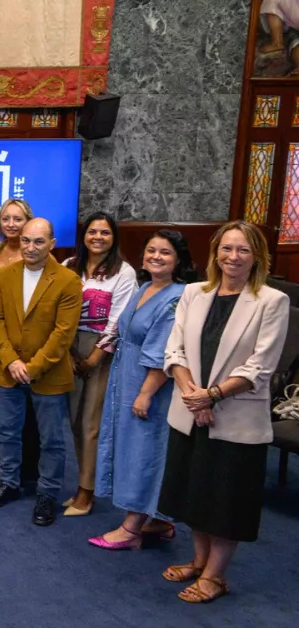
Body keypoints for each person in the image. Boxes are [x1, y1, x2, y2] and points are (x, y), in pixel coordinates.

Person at [156, 221, 288, 604]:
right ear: (215, 253)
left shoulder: (271, 301)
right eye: (226, 249)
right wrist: (193, 396)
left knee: (226, 500)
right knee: (194, 493)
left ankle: (215, 576)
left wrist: (211, 397)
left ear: (257, 257)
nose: (233, 257)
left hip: (236, 417)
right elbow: (174, 350)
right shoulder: (194, 293)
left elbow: (260, 367)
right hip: (189, 411)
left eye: (243, 250)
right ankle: (199, 561)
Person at [89, 230, 192, 550]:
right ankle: (159, 520)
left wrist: (146, 393)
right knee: (134, 446)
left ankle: (132, 527)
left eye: (165, 253)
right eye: (151, 251)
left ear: (178, 260)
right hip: (126, 375)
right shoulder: (146, 287)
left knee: (143, 451)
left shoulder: (177, 296)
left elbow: (164, 352)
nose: (156, 257)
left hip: (151, 384)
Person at [0, 217, 82, 527]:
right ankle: (8, 482)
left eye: (39, 241)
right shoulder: (6, 275)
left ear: (51, 244)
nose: (31, 247)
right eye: (26, 240)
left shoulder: (67, 280)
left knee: (51, 440)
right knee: (6, 432)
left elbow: (64, 334)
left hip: (48, 374)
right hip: (7, 370)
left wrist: (33, 367)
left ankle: (47, 493)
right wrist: (11, 361)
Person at [62, 212, 138, 516]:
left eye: (104, 232)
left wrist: (95, 356)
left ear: (113, 237)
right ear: (84, 236)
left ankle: (86, 492)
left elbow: (119, 320)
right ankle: (82, 481)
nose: (97, 237)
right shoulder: (68, 267)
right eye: (92, 231)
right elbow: (57, 308)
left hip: (101, 352)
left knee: (90, 424)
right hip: (66, 349)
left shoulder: (124, 273)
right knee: (72, 421)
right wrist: (66, 352)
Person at [0, 198, 41, 481]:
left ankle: (29, 464)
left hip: (27, 339)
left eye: (17, 219)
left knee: (27, 403)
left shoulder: (39, 253)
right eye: (6, 219)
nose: (11, 224)